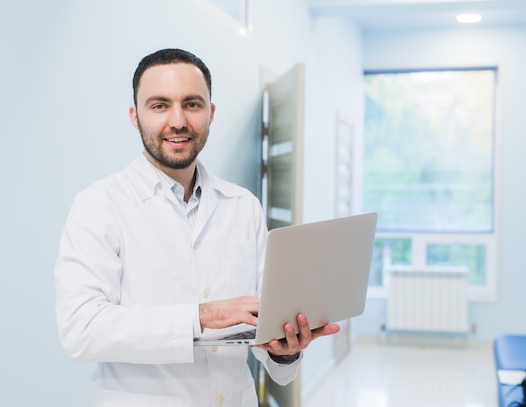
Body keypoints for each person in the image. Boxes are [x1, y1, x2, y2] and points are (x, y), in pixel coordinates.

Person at [54, 48, 339, 407]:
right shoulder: (98, 205)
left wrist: (284, 350)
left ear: (211, 112)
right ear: (135, 116)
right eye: (159, 105)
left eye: (192, 104)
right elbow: (80, 330)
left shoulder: (243, 206)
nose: (178, 121)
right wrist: (201, 316)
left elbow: (265, 327)